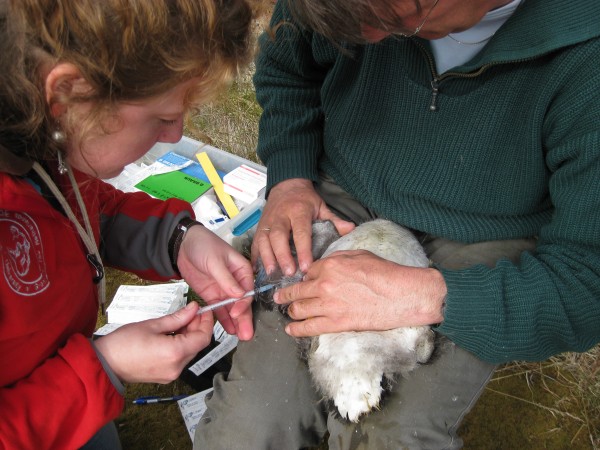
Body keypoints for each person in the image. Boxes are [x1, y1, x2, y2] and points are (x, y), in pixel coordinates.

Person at [195, 0, 600, 448]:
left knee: (389, 435)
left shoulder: (587, 53)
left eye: (391, 20)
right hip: (339, 202)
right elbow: (289, 68)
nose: (363, 38)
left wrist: (431, 298)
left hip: (485, 235)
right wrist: (289, 179)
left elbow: (589, 280)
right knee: (248, 429)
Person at [0, 0, 256, 448]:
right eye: (161, 117)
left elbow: (77, 212)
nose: (176, 135)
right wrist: (104, 368)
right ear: (67, 92)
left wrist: (179, 240)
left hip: (71, 396)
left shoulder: (41, 139)